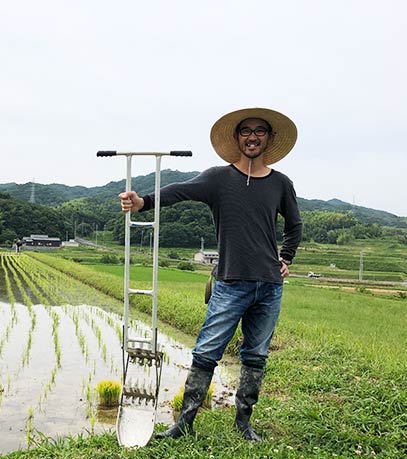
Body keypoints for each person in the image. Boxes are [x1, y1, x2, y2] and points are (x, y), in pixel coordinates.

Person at [119, 107, 302, 442]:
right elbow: (179, 190)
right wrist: (143, 201)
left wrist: (286, 257)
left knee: (256, 355)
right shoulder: (219, 178)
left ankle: (244, 423)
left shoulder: (281, 184)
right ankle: (184, 423)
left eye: (260, 131)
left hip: (269, 286)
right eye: (246, 131)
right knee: (206, 352)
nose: (252, 136)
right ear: (237, 138)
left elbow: (295, 226)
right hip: (230, 283)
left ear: (269, 138)